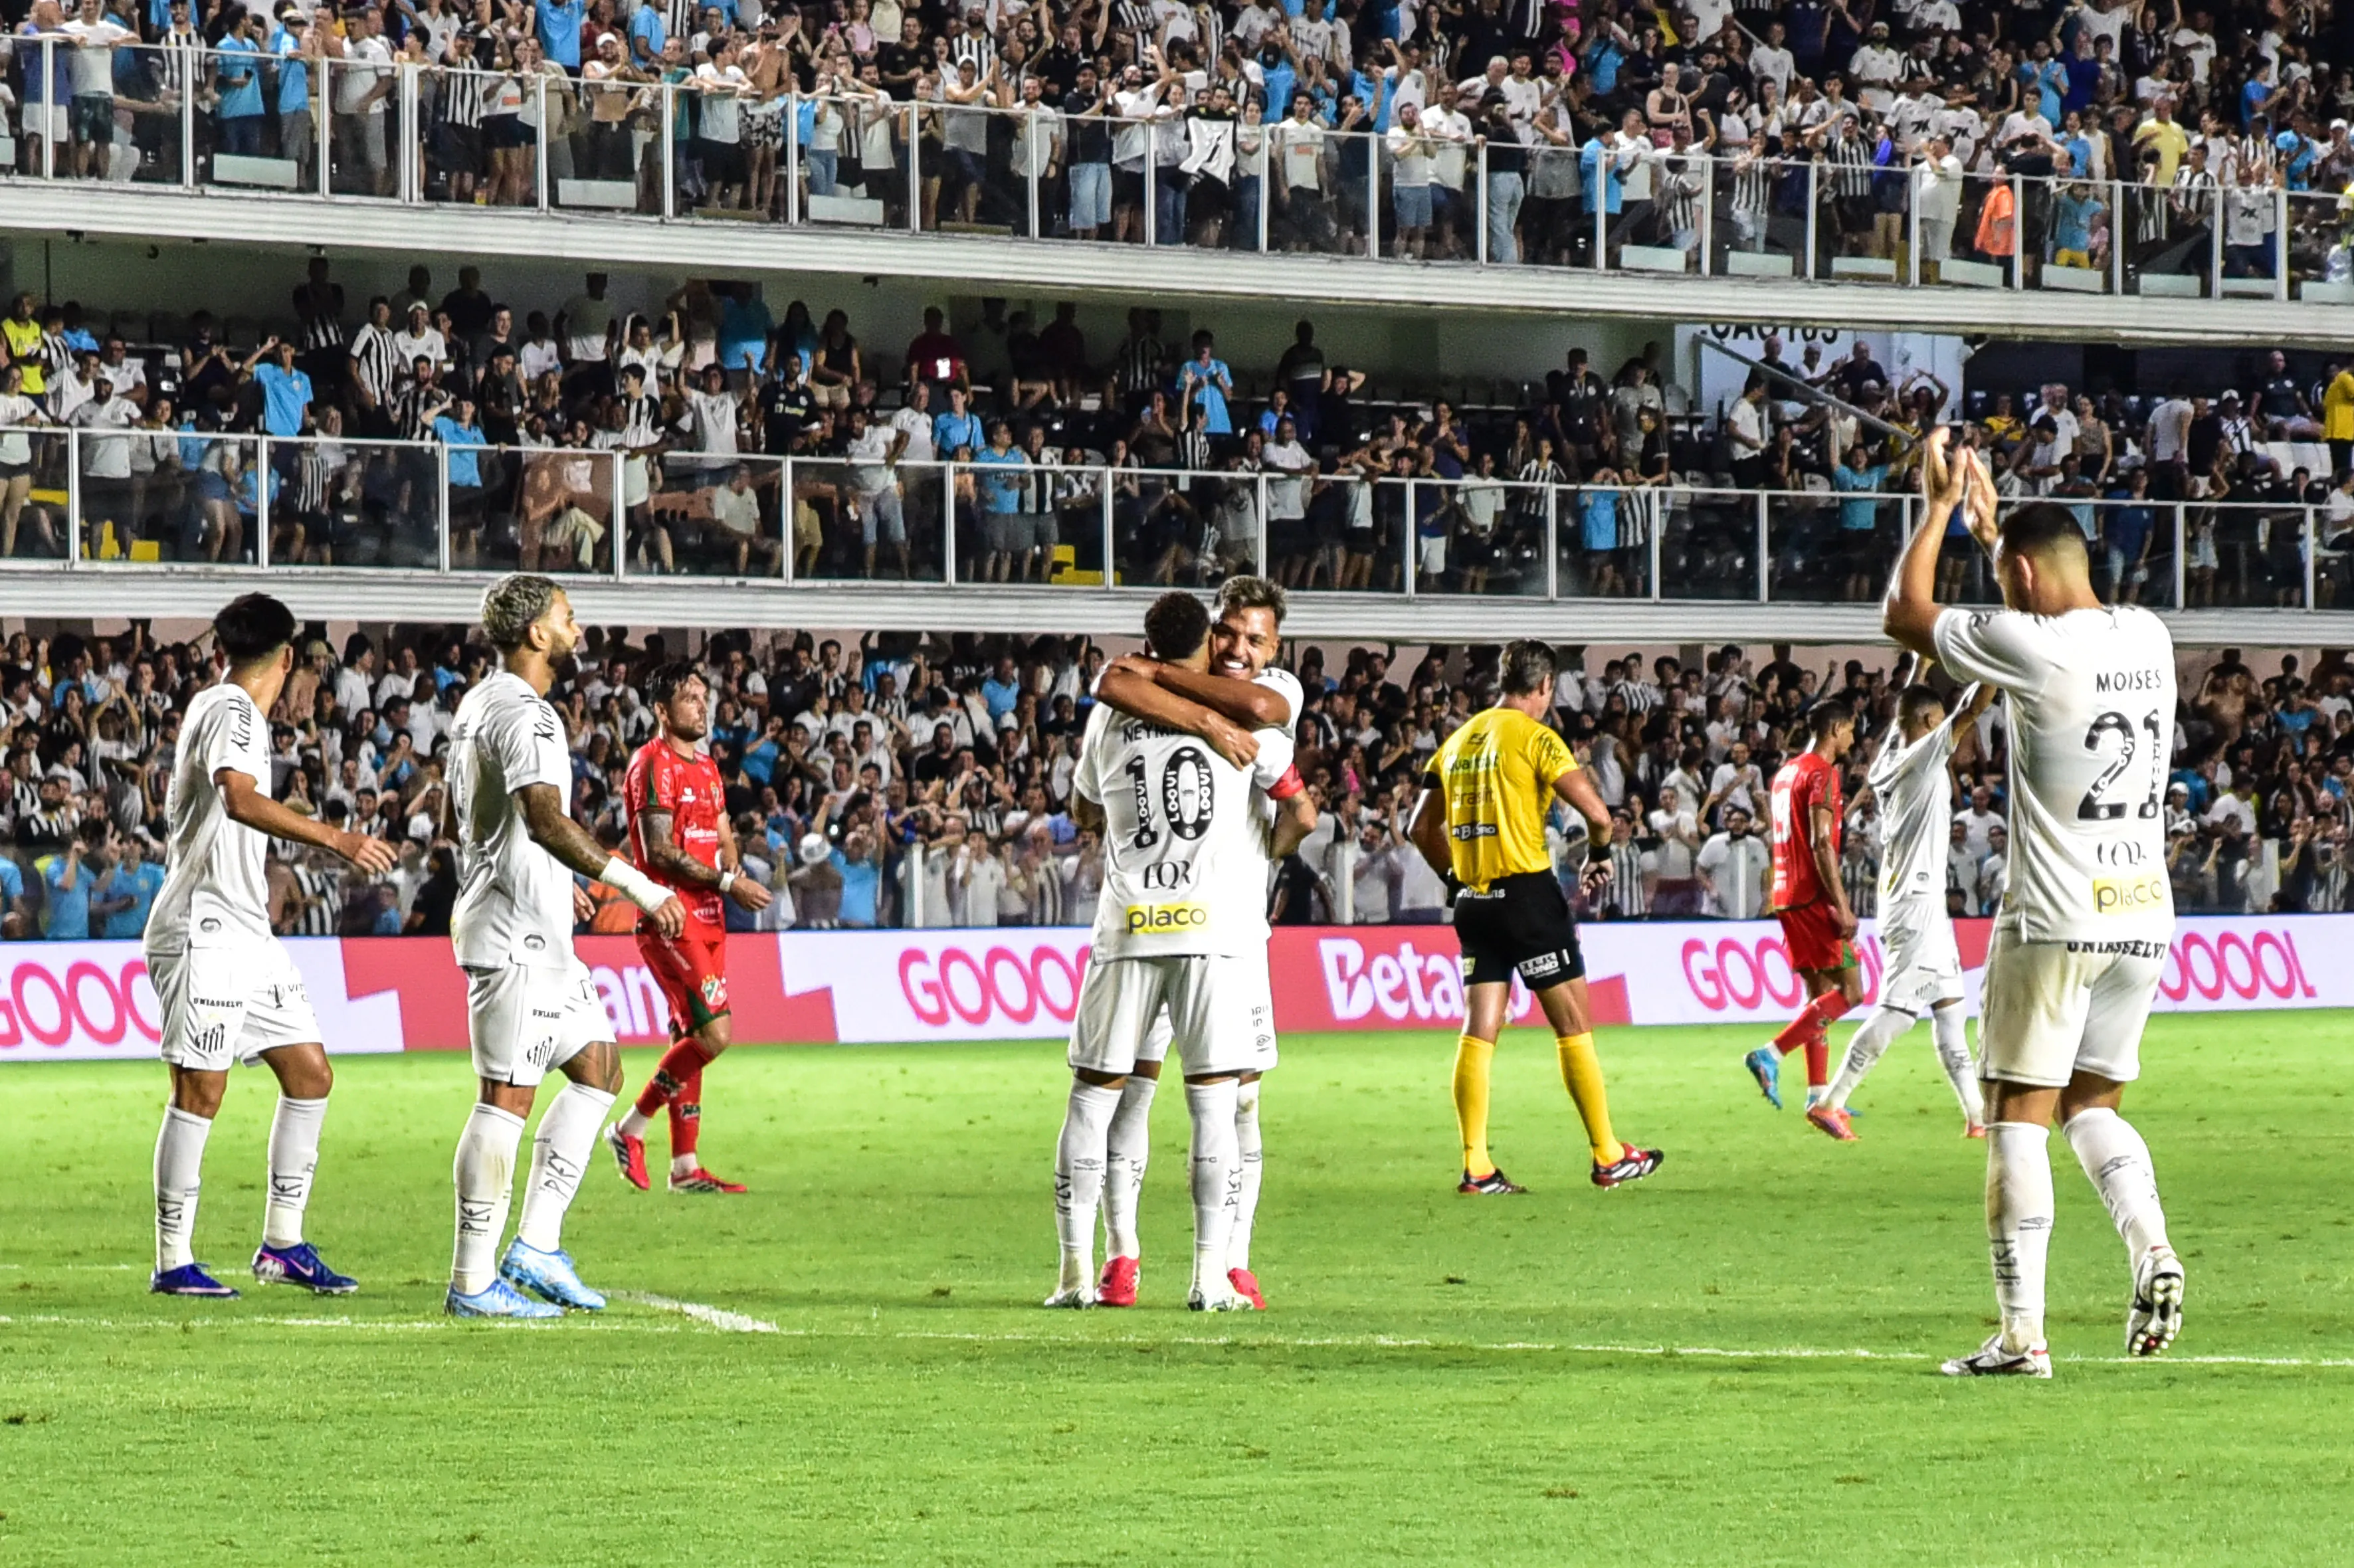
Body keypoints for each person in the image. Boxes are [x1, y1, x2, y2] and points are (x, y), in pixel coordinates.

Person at [1887, 431, 2183, 1377]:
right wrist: (1991, 528)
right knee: (2090, 1104)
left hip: (2049, 919)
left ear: (2016, 573)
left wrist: (1936, 509)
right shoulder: (2146, 632)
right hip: (2138, 914)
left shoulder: (2029, 646)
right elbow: (2033, 605)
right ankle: (2150, 1246)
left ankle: (2020, 1338)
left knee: (2015, 1115)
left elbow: (1905, 614)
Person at [1048, 590, 1304, 1312]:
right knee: (1215, 1106)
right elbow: (1293, 790)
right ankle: (1205, 1273)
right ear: (1210, 635)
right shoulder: (1242, 716)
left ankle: (1073, 1273)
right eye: (1228, 633)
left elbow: (1084, 805)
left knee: (1094, 1098)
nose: (1239, 647)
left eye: (1254, 637)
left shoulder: (1119, 707)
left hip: (1129, 923)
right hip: (1211, 934)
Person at [442, 575, 685, 1319]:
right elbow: (544, 818)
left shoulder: (483, 700)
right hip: (512, 933)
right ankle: (474, 1280)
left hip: (537, 922)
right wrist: (643, 890)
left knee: (599, 1068)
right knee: (506, 1100)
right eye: (568, 618)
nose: (578, 630)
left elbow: (507, 824)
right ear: (538, 634)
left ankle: (537, 1245)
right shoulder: (530, 714)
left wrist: (558, 879)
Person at [143, 593, 397, 1298]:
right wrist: (338, 837)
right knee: (201, 1086)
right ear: (287, 659)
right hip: (205, 926)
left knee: (310, 1072)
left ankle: (282, 1242)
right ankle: (172, 1259)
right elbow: (239, 796)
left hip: (245, 928)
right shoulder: (232, 711)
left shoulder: (215, 703)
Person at [1405, 638, 1661, 1196]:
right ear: (1544, 686)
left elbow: (1419, 830)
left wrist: (1456, 880)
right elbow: (1598, 815)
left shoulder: (1456, 741)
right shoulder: (1537, 738)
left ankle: (1475, 1166)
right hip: (1526, 898)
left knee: (1479, 1032)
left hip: (1474, 903)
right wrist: (1598, 857)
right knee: (1574, 1026)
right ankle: (1608, 1155)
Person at [1812, 652, 1994, 1140]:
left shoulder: (1890, 753)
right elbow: (1972, 710)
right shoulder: (1921, 755)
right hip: (1914, 902)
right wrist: (1999, 662)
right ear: (1930, 723)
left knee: (1950, 1009)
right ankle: (1832, 1101)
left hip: (1917, 900)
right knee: (1897, 1011)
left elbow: (1901, 709)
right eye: (1939, 723)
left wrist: (1921, 665)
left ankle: (1977, 1116)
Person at [607, 662, 773, 1195]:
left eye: (705, 696)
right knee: (715, 1034)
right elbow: (657, 850)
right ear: (662, 709)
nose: (703, 706)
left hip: (709, 917)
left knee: (689, 1035)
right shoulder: (651, 765)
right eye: (690, 698)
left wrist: (734, 868)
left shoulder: (705, 768)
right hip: (669, 917)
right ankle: (630, 1128)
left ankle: (684, 1167)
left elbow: (721, 831)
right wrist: (728, 882)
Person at [1743, 698, 1864, 1116]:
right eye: (1850, 730)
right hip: (1813, 896)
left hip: (1785, 893)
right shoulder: (1822, 774)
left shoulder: (1786, 773)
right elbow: (1820, 843)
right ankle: (1770, 1054)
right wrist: (1843, 906)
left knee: (1818, 996)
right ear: (1835, 729)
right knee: (1851, 992)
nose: (1853, 738)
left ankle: (1817, 1096)